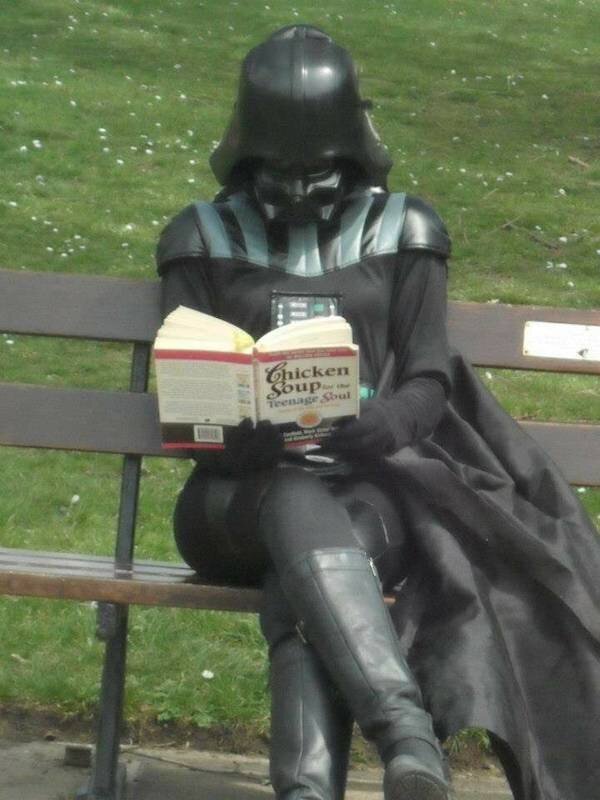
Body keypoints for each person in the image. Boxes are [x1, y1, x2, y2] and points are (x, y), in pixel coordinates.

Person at [157, 25, 600, 800]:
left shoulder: (406, 230)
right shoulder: (200, 236)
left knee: (310, 572)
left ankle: (312, 790)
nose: (298, 189)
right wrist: (239, 433)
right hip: (230, 502)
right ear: (247, 151)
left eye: (318, 169)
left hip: (365, 492)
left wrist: (375, 426)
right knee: (291, 499)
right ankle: (406, 739)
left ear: (353, 150)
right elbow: (181, 390)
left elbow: (428, 378)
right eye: (278, 170)